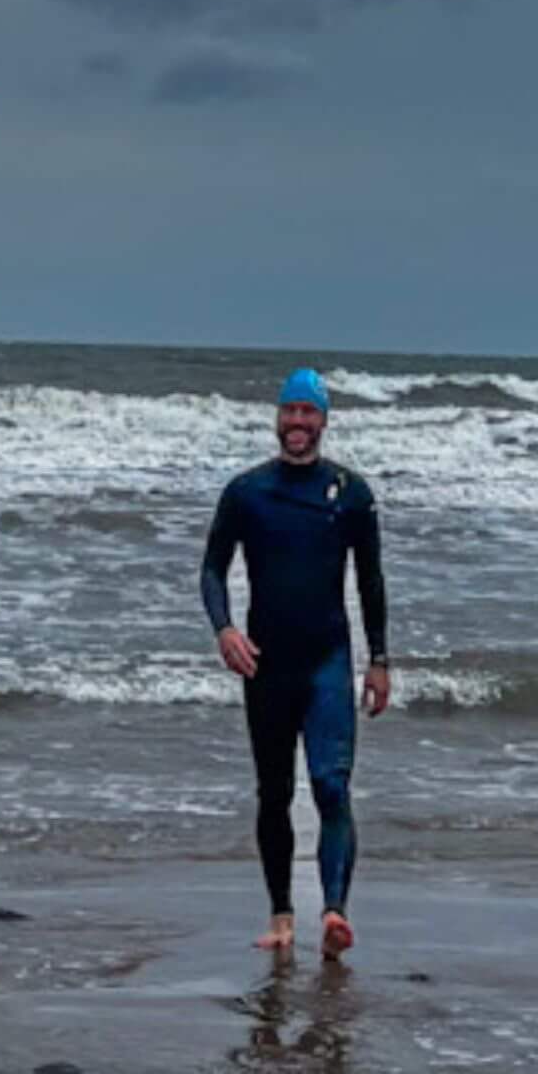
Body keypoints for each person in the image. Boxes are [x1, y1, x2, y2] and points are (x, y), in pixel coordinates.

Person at [199, 368, 390, 957]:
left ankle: (334, 914)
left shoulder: (351, 494)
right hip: (266, 665)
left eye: (309, 412)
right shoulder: (247, 492)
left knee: (332, 785)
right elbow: (212, 569)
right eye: (290, 411)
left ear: (324, 421)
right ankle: (282, 916)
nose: (298, 422)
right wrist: (225, 629)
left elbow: (371, 581)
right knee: (274, 792)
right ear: (278, 418)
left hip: (327, 659)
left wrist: (379, 659)